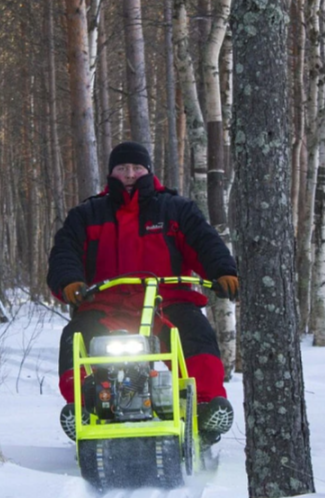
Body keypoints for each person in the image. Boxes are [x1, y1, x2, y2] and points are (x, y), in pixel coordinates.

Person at [47, 141, 238, 445]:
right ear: (112, 173)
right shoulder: (88, 213)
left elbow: (204, 241)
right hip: (106, 305)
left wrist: (222, 270)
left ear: (148, 170)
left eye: (137, 168)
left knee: (195, 334)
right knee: (76, 338)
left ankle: (205, 406)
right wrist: (69, 280)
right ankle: (84, 406)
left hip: (167, 302)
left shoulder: (175, 208)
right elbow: (65, 252)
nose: (130, 174)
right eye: (123, 168)